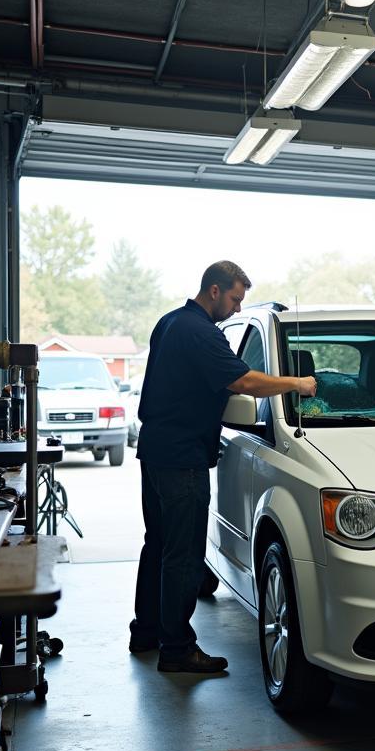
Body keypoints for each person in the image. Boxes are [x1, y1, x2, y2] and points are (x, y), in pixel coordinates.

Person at [130, 261, 317, 674]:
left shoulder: (170, 322)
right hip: (182, 459)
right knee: (183, 553)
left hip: (156, 451)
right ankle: (177, 649)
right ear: (214, 291)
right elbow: (244, 383)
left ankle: (145, 631)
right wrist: (297, 384)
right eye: (234, 299)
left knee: (158, 544)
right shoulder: (200, 333)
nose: (236, 309)